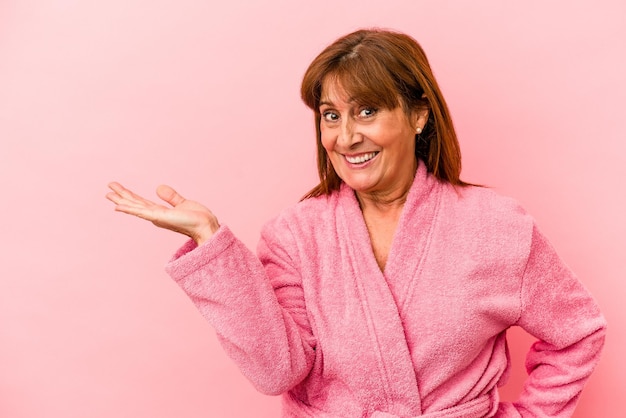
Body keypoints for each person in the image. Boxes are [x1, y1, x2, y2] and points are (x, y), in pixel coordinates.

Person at [106, 29, 606, 417]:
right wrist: (211, 241)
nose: (346, 137)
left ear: (418, 115)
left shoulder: (497, 227)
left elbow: (578, 332)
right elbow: (277, 369)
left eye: (367, 111)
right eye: (331, 115)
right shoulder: (294, 236)